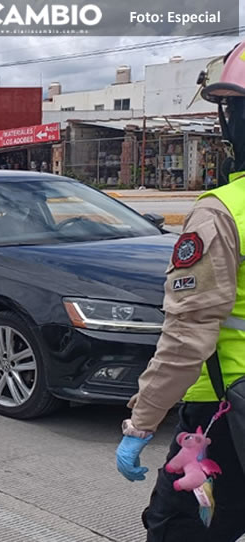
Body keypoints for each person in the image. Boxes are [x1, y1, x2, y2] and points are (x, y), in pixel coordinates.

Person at [115, 40, 245, 541]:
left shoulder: (222, 212)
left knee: (178, 530)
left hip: (225, 415)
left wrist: (142, 424)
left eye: (229, 110)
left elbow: (188, 335)